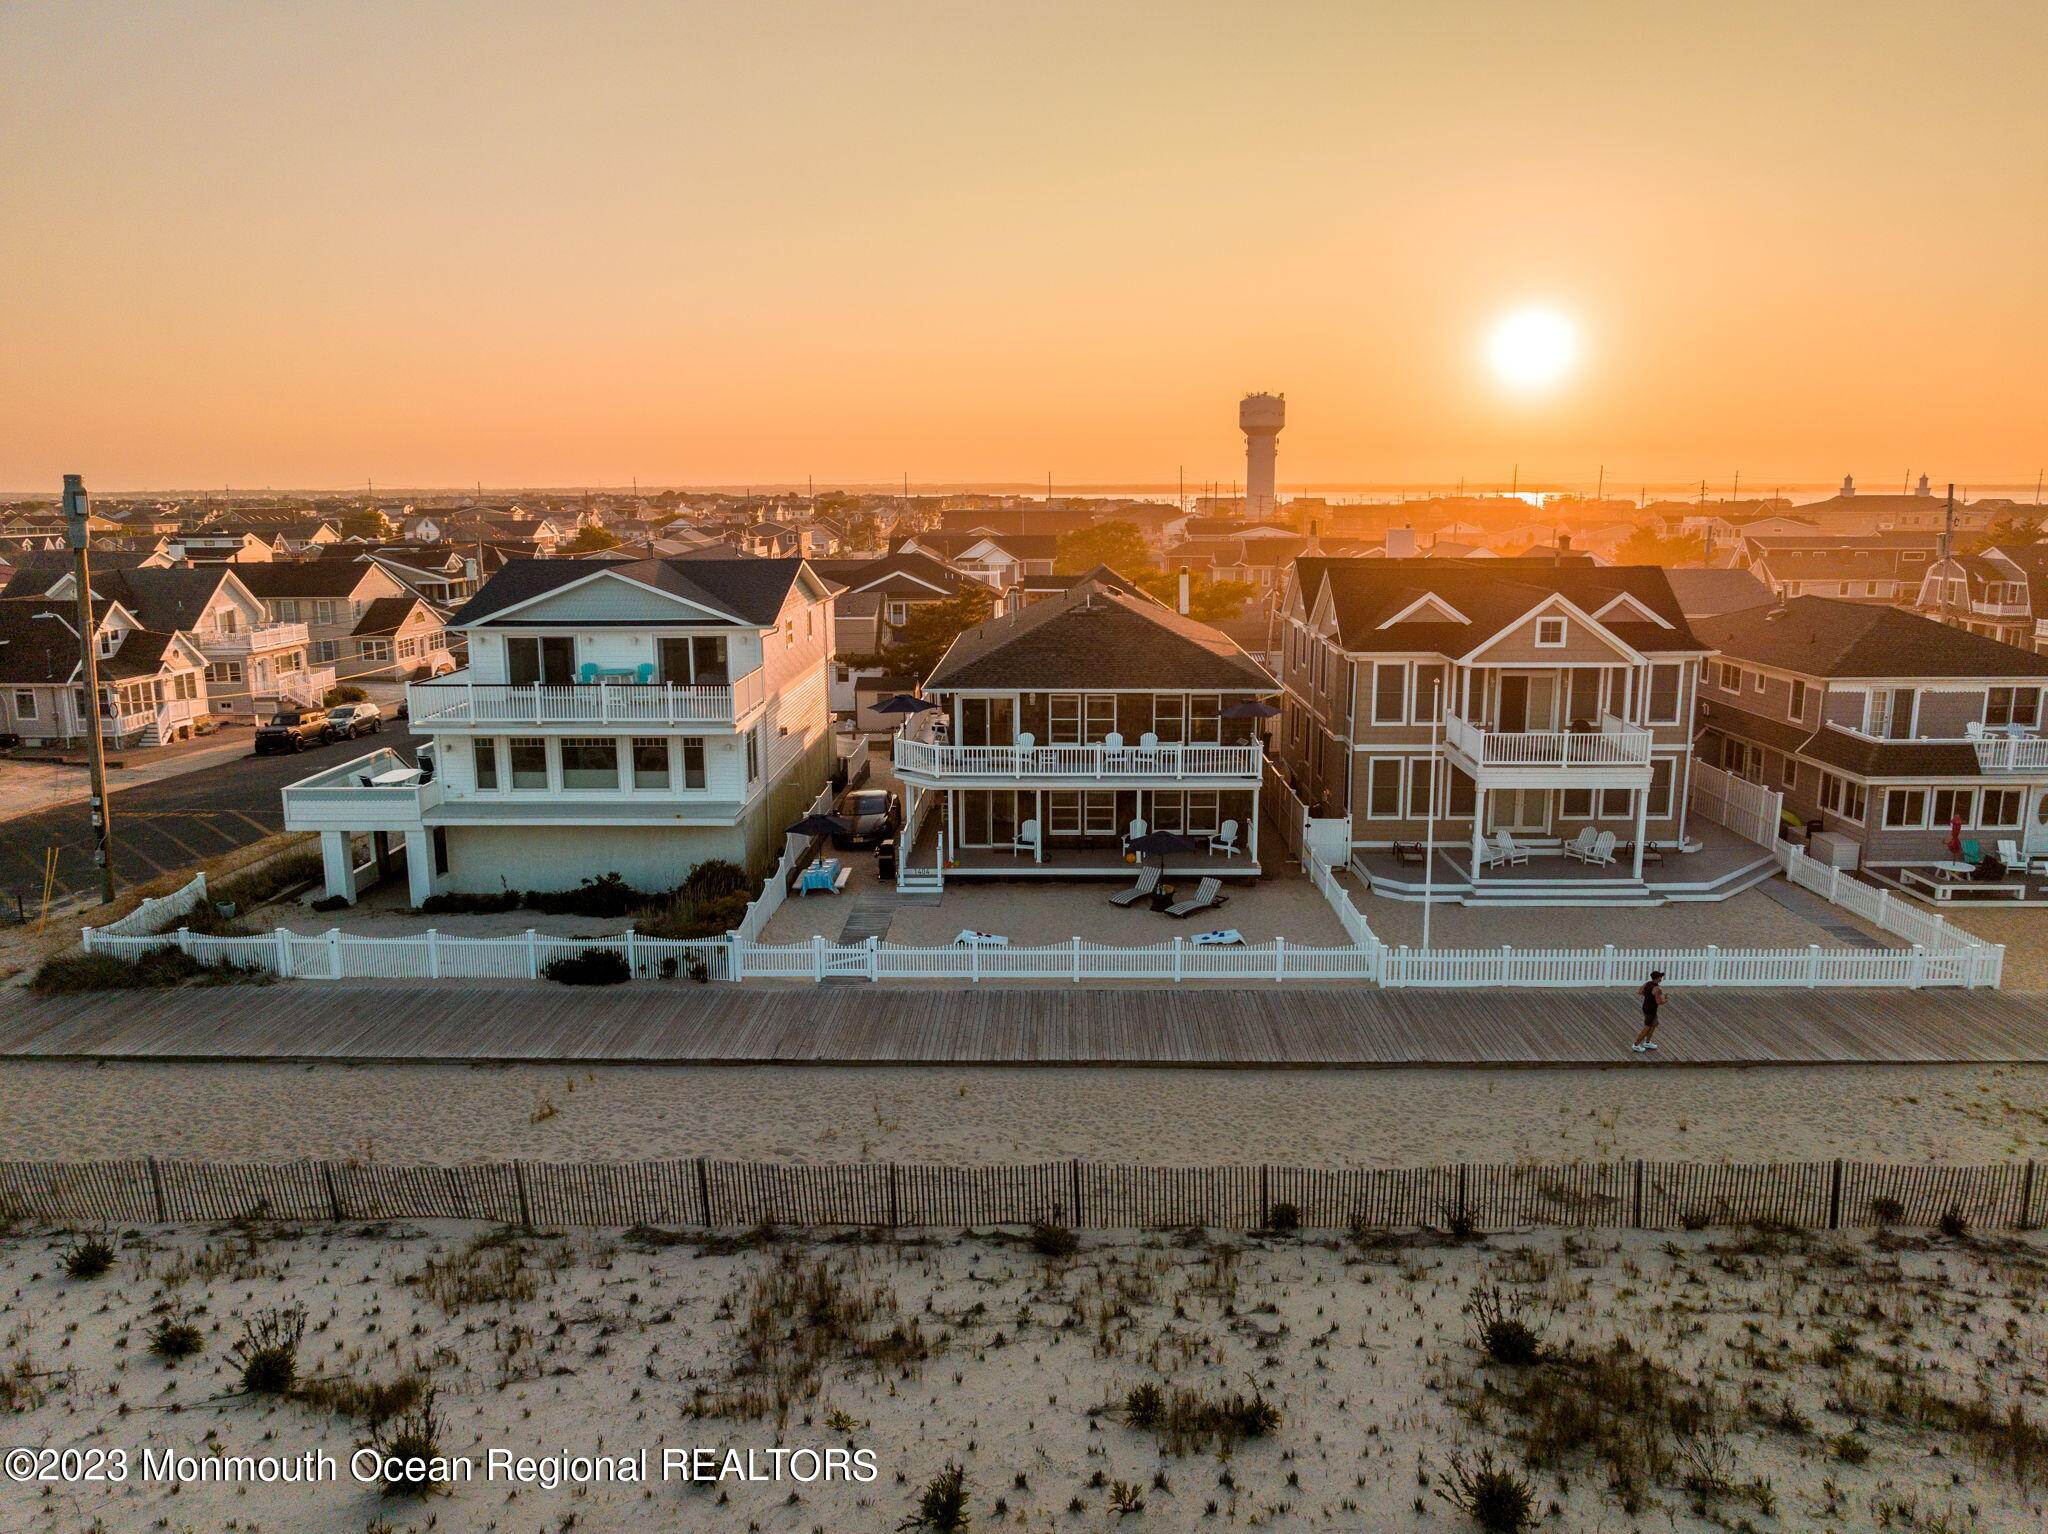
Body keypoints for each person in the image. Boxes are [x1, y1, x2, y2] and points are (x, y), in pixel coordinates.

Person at [1631, 971, 1665, 1052]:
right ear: (1658, 978)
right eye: (1660, 977)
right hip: (1651, 1010)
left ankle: (1647, 1042)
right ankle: (1636, 1045)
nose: (1661, 979)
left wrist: (1648, 996)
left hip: (1645, 1006)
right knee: (1647, 1027)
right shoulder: (1658, 989)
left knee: (1655, 1023)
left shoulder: (1647, 983)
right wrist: (1665, 1000)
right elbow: (1659, 1002)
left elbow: (1640, 992)